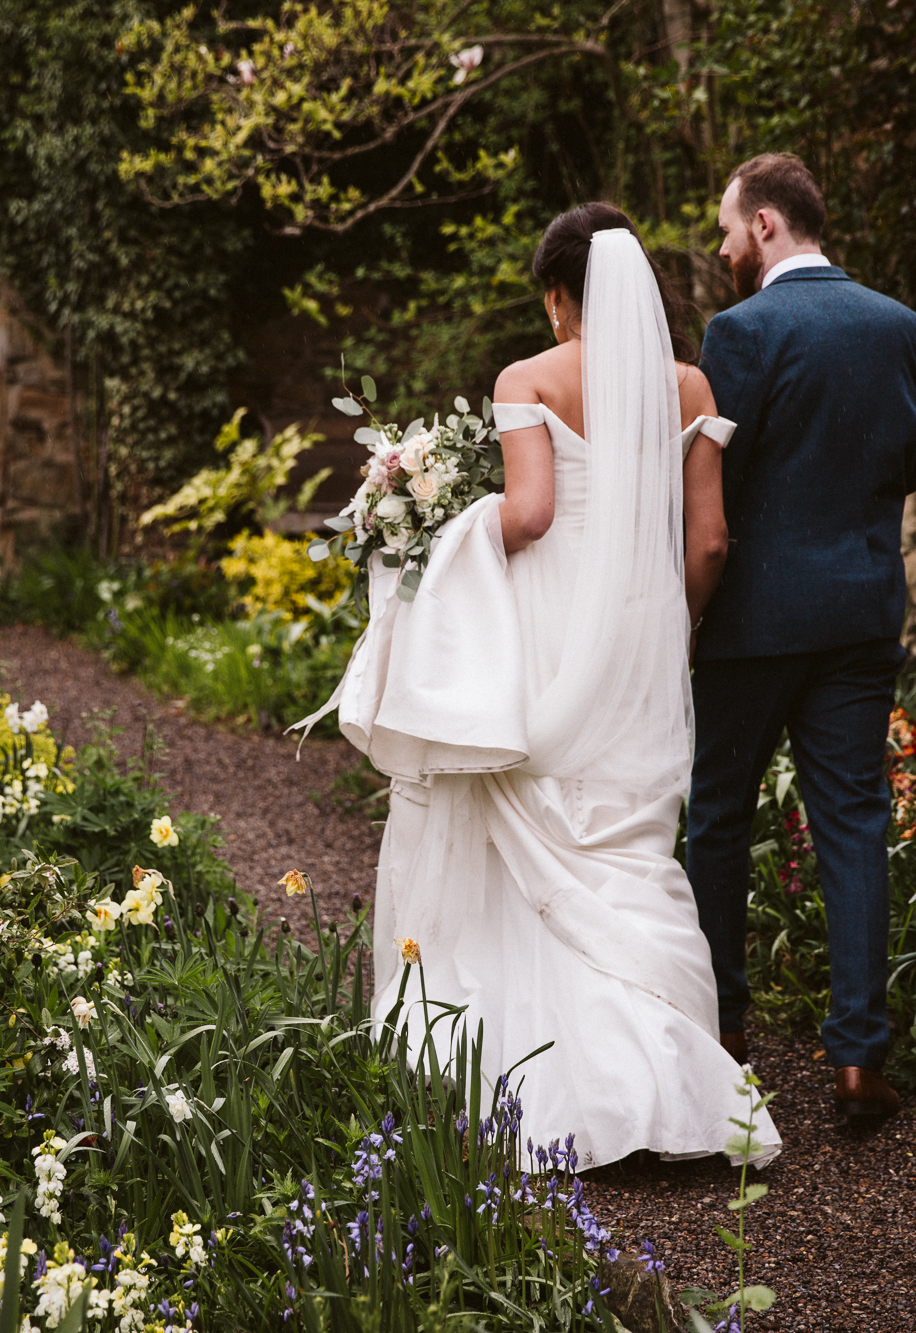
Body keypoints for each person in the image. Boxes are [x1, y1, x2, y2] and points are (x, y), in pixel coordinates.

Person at [326, 203, 780, 1168]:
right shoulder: (688, 384)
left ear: (558, 297)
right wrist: (680, 626)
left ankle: (531, 1087)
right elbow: (709, 540)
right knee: (630, 845)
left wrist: (434, 533)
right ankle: (669, 1092)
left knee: (524, 836)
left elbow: (529, 515)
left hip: (547, 638)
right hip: (641, 649)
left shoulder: (527, 377)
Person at [688, 152, 916, 1119]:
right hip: (861, 615)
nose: (720, 247)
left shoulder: (739, 333)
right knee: (854, 824)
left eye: (725, 228)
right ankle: (859, 1062)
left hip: (753, 622)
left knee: (719, 820)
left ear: (764, 227)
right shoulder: (903, 329)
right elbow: (905, 468)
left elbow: (713, 489)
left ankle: (723, 1030)